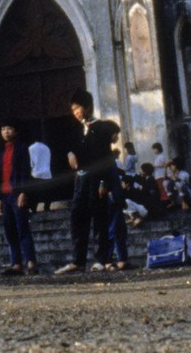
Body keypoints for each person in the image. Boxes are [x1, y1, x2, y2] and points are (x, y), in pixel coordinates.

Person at [55, 90, 125, 274]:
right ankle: (78, 260)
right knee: (78, 218)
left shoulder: (101, 128)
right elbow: (71, 148)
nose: (76, 112)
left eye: (78, 108)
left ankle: (103, 259)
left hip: (96, 178)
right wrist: (70, 153)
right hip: (81, 179)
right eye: (73, 109)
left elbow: (105, 158)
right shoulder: (77, 130)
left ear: (87, 107)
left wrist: (104, 182)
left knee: (99, 219)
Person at [0, 121, 37, 275]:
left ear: (16, 131)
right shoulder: (1, 151)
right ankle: (16, 263)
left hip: (17, 193)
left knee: (22, 227)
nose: (6, 131)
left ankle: (31, 261)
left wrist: (23, 192)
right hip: (5, 195)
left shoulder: (21, 148)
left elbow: (25, 171)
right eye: (3, 128)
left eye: (9, 128)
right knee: (10, 230)